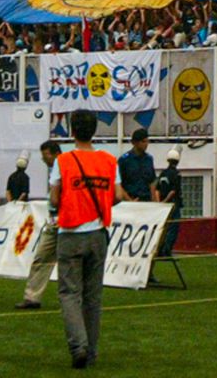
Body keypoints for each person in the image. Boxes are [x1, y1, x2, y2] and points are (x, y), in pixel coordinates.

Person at [50, 110, 129, 370]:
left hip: (71, 233)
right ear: (94, 131)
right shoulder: (108, 161)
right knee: (93, 297)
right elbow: (117, 195)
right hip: (97, 233)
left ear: (72, 131)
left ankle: (78, 345)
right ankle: (91, 351)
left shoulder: (63, 161)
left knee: (70, 293)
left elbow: (53, 198)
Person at [16, 141, 62, 310]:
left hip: (64, 222)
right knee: (42, 258)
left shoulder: (64, 167)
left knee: (54, 260)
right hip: (54, 221)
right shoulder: (55, 168)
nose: (44, 160)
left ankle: (70, 298)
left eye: (46, 156)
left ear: (55, 153)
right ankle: (32, 297)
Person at [156, 148, 182, 258]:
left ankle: (160, 250)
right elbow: (174, 190)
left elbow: (157, 189)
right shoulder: (176, 174)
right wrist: (166, 201)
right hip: (172, 204)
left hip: (162, 205)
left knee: (163, 228)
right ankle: (167, 251)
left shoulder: (163, 173)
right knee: (173, 228)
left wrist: (159, 202)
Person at [117, 128, 156, 202]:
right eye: (143, 141)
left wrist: (154, 200)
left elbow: (152, 182)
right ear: (135, 142)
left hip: (146, 200)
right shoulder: (124, 160)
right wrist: (129, 200)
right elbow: (118, 184)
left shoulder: (149, 159)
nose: (146, 144)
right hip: (130, 200)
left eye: (147, 141)